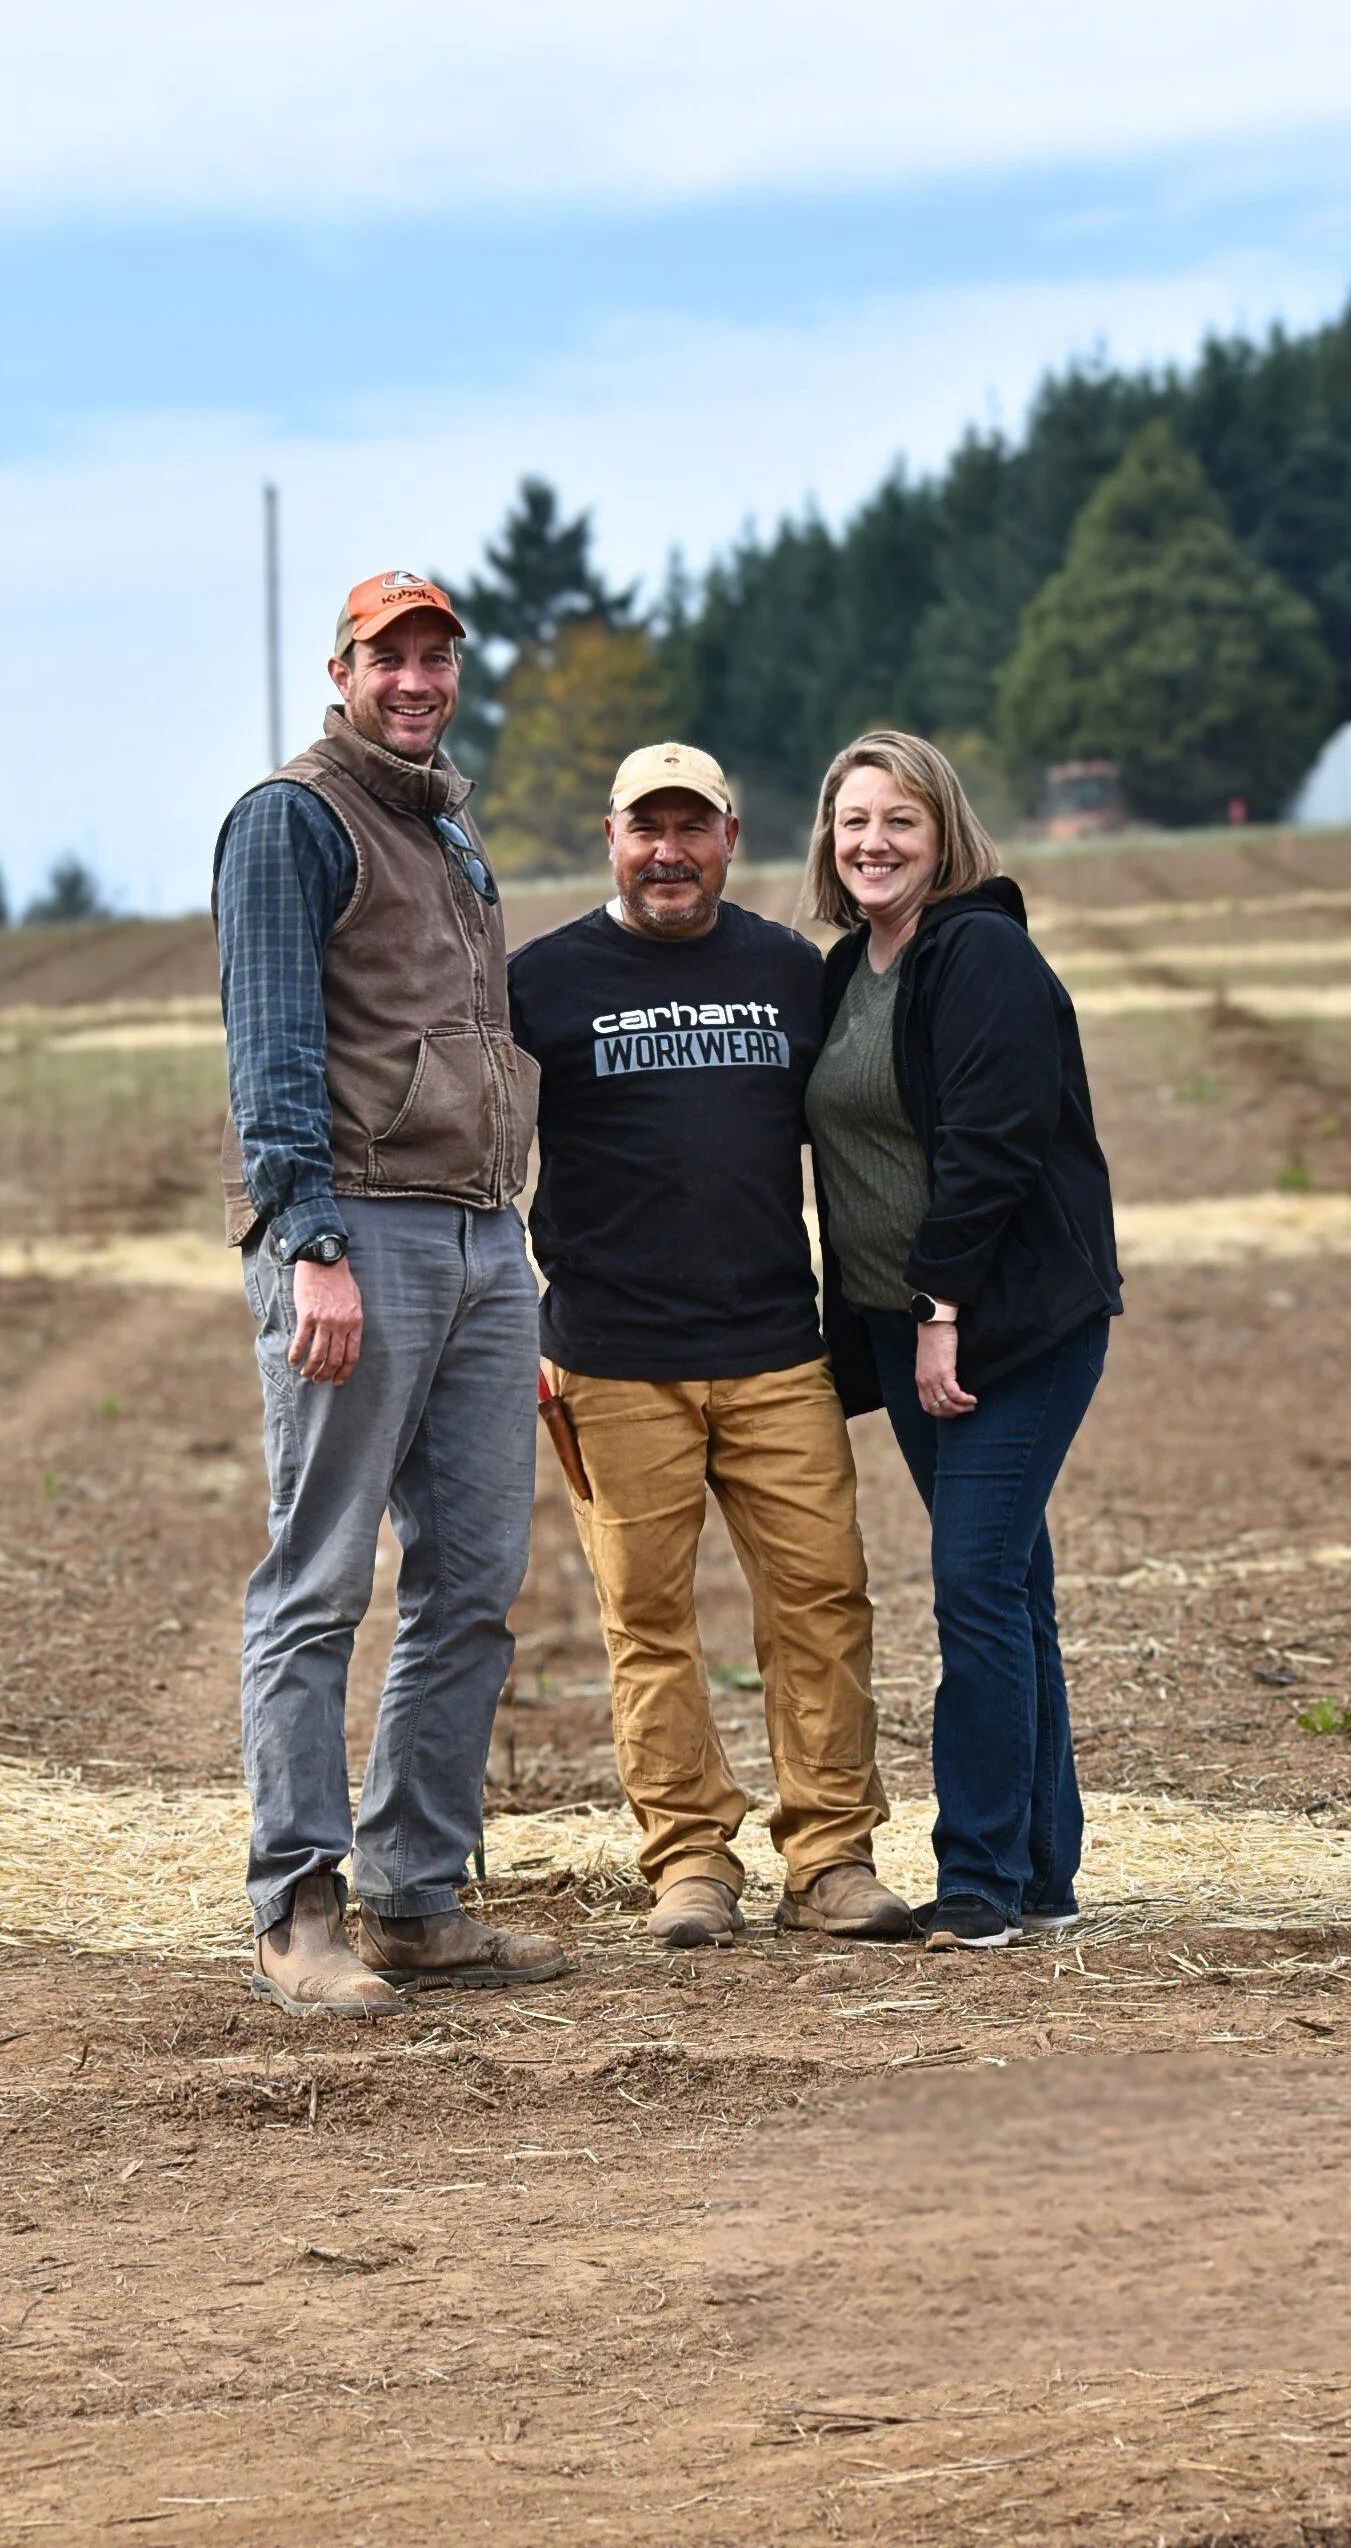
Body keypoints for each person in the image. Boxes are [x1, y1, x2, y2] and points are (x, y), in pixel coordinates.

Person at [212, 567, 570, 2017]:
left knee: (474, 1578)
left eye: (437, 657)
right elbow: (271, 1045)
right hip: (358, 1229)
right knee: (319, 1580)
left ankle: (414, 1895)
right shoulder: (291, 819)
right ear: (342, 672)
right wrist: (310, 1243)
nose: (417, 681)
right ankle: (298, 1909)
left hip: (483, 1238)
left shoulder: (444, 823)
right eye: (390, 657)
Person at [508, 741, 913, 1949]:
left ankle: (829, 1857)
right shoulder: (539, 982)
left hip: (776, 1350)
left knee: (822, 1600)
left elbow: (863, 1129)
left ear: (731, 838)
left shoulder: (790, 970)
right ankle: (688, 1861)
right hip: (608, 1361)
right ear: (611, 839)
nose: (669, 853)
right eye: (647, 829)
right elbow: (475, 1154)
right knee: (647, 1622)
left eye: (693, 828)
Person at [802, 730, 1120, 1953]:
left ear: (944, 835)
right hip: (900, 1326)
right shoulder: (848, 969)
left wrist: (942, 1310)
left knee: (973, 1581)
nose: (872, 842)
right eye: (853, 821)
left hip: (1009, 1324)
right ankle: (1042, 1871)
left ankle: (977, 1877)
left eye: (900, 820)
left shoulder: (980, 953)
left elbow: (991, 1146)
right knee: (1009, 1583)